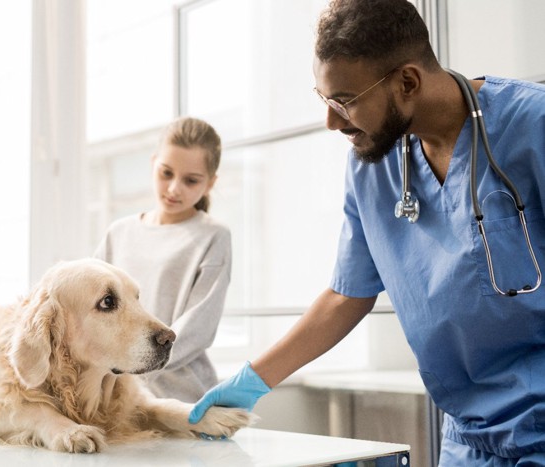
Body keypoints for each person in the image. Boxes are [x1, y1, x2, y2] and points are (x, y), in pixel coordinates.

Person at [188, 0, 545, 464]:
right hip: (469, 440)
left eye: (346, 100)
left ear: (408, 82)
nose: (332, 121)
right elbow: (347, 295)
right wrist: (255, 380)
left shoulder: (532, 126)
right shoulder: (371, 167)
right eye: (325, 99)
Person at [94, 116, 231, 403]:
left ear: (210, 183)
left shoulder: (213, 236)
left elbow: (198, 328)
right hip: (117, 395)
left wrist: (136, 368)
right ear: (153, 163)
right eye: (166, 173)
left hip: (183, 398)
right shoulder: (119, 233)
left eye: (191, 180)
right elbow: (91, 308)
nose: (174, 189)